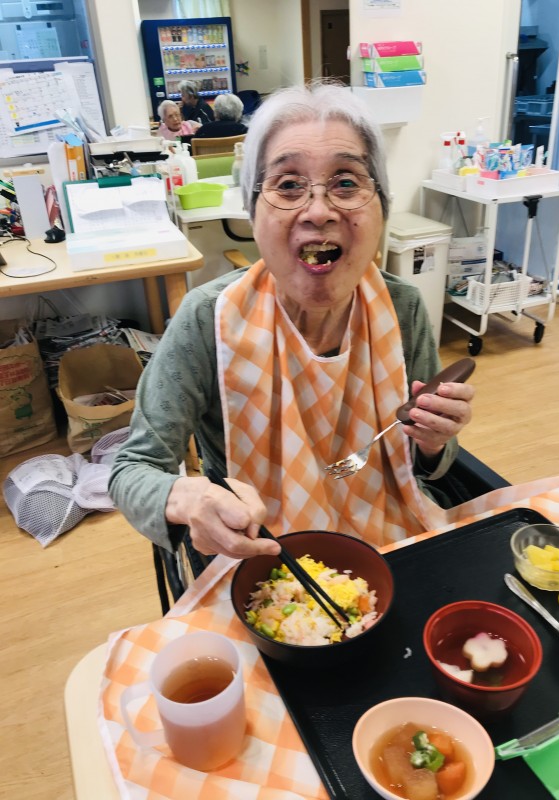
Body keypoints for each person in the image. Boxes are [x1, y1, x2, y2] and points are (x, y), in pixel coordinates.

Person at [109, 81, 475, 561]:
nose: (318, 211)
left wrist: (434, 441)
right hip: (258, 552)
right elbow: (132, 469)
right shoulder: (207, 319)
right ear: (252, 212)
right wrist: (185, 498)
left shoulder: (402, 307)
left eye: (347, 182)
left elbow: (430, 467)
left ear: (381, 207)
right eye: (287, 185)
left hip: (392, 539)